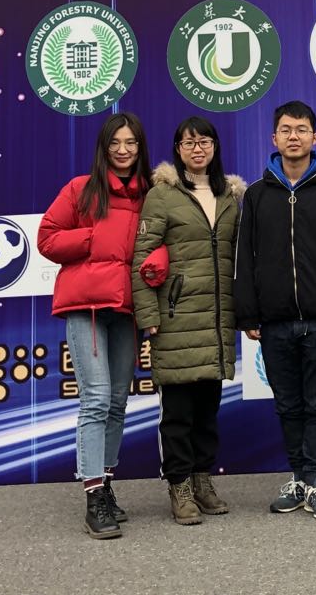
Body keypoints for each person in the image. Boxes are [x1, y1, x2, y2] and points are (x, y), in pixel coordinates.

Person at [235, 100, 316, 520]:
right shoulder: (257, 194)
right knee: (288, 405)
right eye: (286, 130)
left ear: (314, 137)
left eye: (301, 129)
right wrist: (248, 314)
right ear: (274, 138)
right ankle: (299, 477)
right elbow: (243, 259)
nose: (294, 136)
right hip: (273, 323)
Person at [37, 112, 150, 539]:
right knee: (97, 399)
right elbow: (47, 238)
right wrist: (91, 238)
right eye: (115, 142)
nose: (123, 150)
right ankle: (93, 498)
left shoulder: (150, 194)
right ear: (103, 148)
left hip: (127, 308)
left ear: (140, 148)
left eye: (131, 143)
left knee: (118, 401)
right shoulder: (80, 189)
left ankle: (106, 484)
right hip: (85, 307)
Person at [133, 116, 244, 526]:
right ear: (178, 149)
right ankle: (179, 485)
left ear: (215, 147)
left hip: (216, 321)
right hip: (175, 319)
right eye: (189, 142)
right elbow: (142, 258)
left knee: (207, 412)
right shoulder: (162, 195)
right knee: (178, 413)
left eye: (204, 141)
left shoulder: (229, 196)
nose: (198, 149)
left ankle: (202, 479)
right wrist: (149, 316)